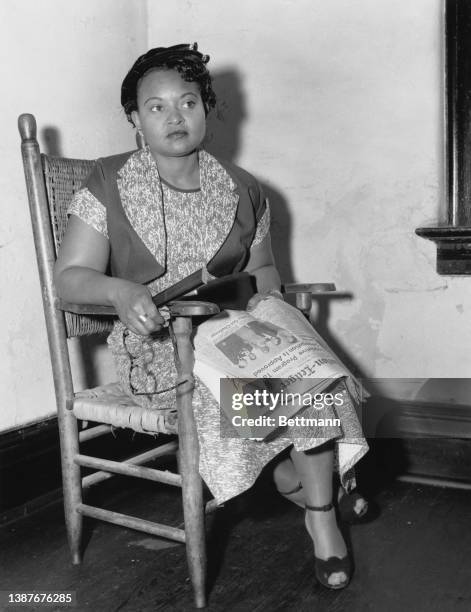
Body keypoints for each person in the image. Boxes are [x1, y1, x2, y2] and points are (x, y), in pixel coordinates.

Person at [54, 43, 368, 590]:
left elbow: (264, 270)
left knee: (307, 380)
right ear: (134, 117)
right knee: (280, 396)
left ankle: (321, 518)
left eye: (189, 102)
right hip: (159, 346)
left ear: (206, 108)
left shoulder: (244, 189)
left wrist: (279, 313)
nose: (175, 117)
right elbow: (69, 280)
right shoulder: (106, 183)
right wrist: (121, 290)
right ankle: (314, 487)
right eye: (156, 107)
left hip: (235, 330)